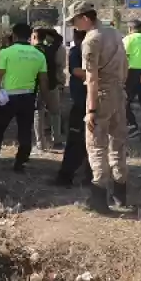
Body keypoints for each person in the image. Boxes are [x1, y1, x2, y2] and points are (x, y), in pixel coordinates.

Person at [67, 1, 129, 213]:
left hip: (101, 94)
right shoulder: (115, 33)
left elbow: (92, 79)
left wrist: (91, 110)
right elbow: (125, 65)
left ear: (85, 18)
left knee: (96, 145)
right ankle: (120, 195)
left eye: (75, 20)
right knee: (117, 145)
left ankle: (99, 201)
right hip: (119, 93)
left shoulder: (91, 40)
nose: (74, 26)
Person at [0, 23, 49, 173]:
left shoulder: (6, 52)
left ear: (14, 35)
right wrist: (43, 99)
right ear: (29, 35)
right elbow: (44, 80)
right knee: (25, 131)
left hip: (8, 98)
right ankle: (21, 163)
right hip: (28, 97)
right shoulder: (39, 55)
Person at [53, 29, 93, 187]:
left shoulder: (79, 50)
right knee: (83, 142)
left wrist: (96, 75)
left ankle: (67, 176)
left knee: (78, 142)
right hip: (85, 102)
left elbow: (77, 71)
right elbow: (76, 71)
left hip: (86, 104)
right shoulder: (80, 51)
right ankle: (81, 176)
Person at [32, 28, 63, 151]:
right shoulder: (52, 49)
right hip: (52, 85)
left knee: (38, 113)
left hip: (38, 86)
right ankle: (57, 140)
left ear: (34, 37)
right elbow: (59, 39)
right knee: (55, 113)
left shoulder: (32, 51)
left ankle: (41, 144)